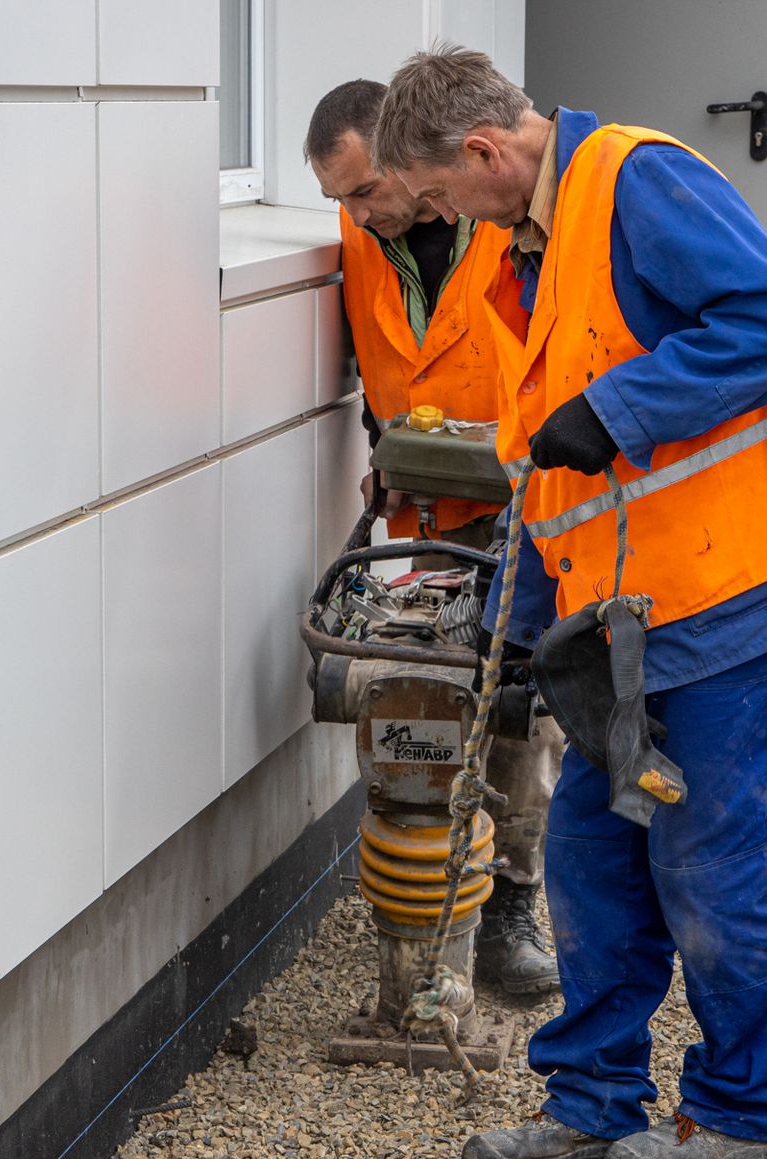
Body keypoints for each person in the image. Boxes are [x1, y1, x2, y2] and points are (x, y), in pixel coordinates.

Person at [374, 46, 767, 1159]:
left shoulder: (635, 181)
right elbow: (550, 465)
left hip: (735, 591)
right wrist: (515, 629)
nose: (447, 221)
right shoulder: (523, 253)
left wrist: (621, 405)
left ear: (488, 152)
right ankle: (594, 1096)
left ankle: (746, 1106)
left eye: (444, 197)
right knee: (594, 859)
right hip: (623, 613)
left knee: (707, 860)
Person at [305, 79, 564, 999]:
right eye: (338, 198)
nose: (355, 214)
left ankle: (508, 909)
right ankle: (422, 889)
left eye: (366, 190)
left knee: (520, 711)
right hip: (415, 503)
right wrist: (388, 445)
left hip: (525, 492)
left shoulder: (507, 219)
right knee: (419, 688)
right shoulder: (362, 231)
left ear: (415, 164)